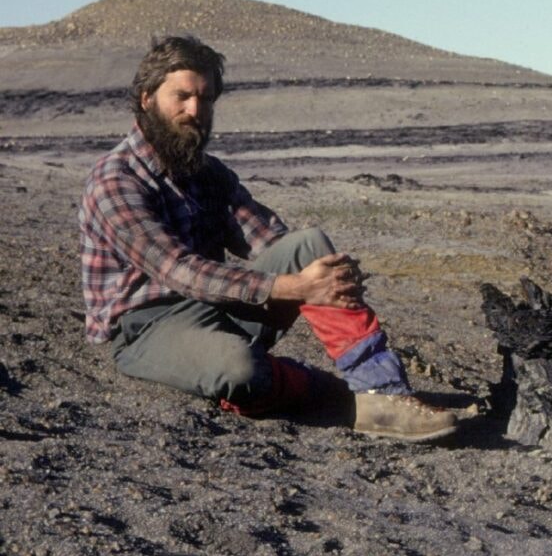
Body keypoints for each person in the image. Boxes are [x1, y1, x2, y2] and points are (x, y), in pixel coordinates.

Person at [78, 34, 461, 442]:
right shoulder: (116, 180)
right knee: (240, 370)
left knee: (309, 246)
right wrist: (296, 287)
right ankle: (337, 398)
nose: (195, 111)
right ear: (147, 99)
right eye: (182, 97)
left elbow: (269, 239)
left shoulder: (208, 173)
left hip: (208, 304)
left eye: (205, 99)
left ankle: (386, 394)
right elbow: (178, 270)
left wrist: (328, 276)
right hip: (147, 329)